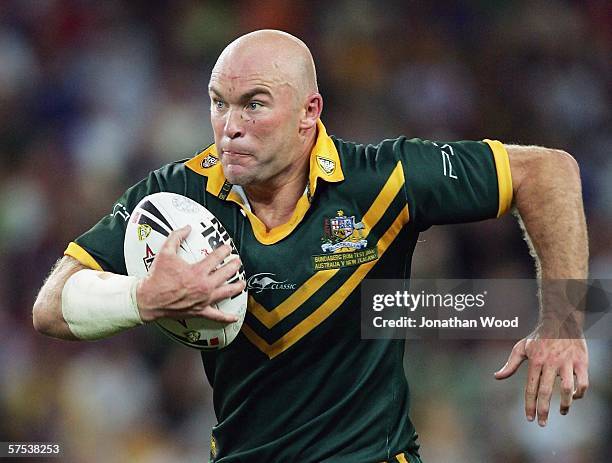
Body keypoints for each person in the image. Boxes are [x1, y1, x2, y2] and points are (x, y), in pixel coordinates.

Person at [33, 30, 589, 463]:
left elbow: (549, 173)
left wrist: (563, 324)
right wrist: (143, 297)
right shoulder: (174, 195)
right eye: (218, 103)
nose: (230, 126)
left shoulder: (381, 180)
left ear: (309, 113)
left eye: (254, 104)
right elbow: (52, 305)